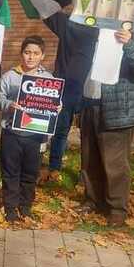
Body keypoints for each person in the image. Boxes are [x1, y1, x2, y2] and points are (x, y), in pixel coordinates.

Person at [76, 26, 134, 227]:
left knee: (115, 163)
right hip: (90, 103)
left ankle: (117, 208)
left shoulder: (132, 36)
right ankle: (93, 200)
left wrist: (129, 44)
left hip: (117, 108)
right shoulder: (92, 35)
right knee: (89, 158)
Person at [0, 36, 53, 222]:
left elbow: (54, 103)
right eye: (27, 52)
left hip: (35, 135)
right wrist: (9, 105)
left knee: (30, 173)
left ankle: (26, 206)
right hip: (12, 132)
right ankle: (11, 207)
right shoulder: (9, 76)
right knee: (10, 172)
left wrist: (57, 107)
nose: (31, 57)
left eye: (35, 53)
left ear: (42, 56)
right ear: (22, 54)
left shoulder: (48, 79)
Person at [40, 10, 100, 183]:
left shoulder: (105, 28)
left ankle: (86, 173)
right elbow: (46, 10)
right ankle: (54, 167)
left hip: (91, 87)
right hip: (65, 86)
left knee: (88, 134)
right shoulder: (69, 23)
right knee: (60, 130)